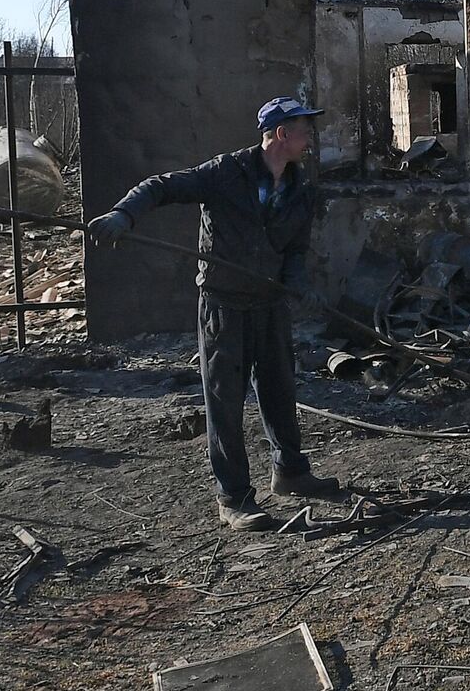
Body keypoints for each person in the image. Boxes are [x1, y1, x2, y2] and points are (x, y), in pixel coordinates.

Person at [88, 96, 343, 529]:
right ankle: (235, 498)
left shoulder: (301, 188)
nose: (310, 137)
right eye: (304, 129)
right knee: (225, 401)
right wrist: (123, 214)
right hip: (224, 306)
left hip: (269, 304)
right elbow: (161, 186)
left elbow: (295, 248)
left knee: (280, 389)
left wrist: (298, 282)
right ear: (282, 134)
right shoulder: (227, 173)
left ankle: (291, 472)